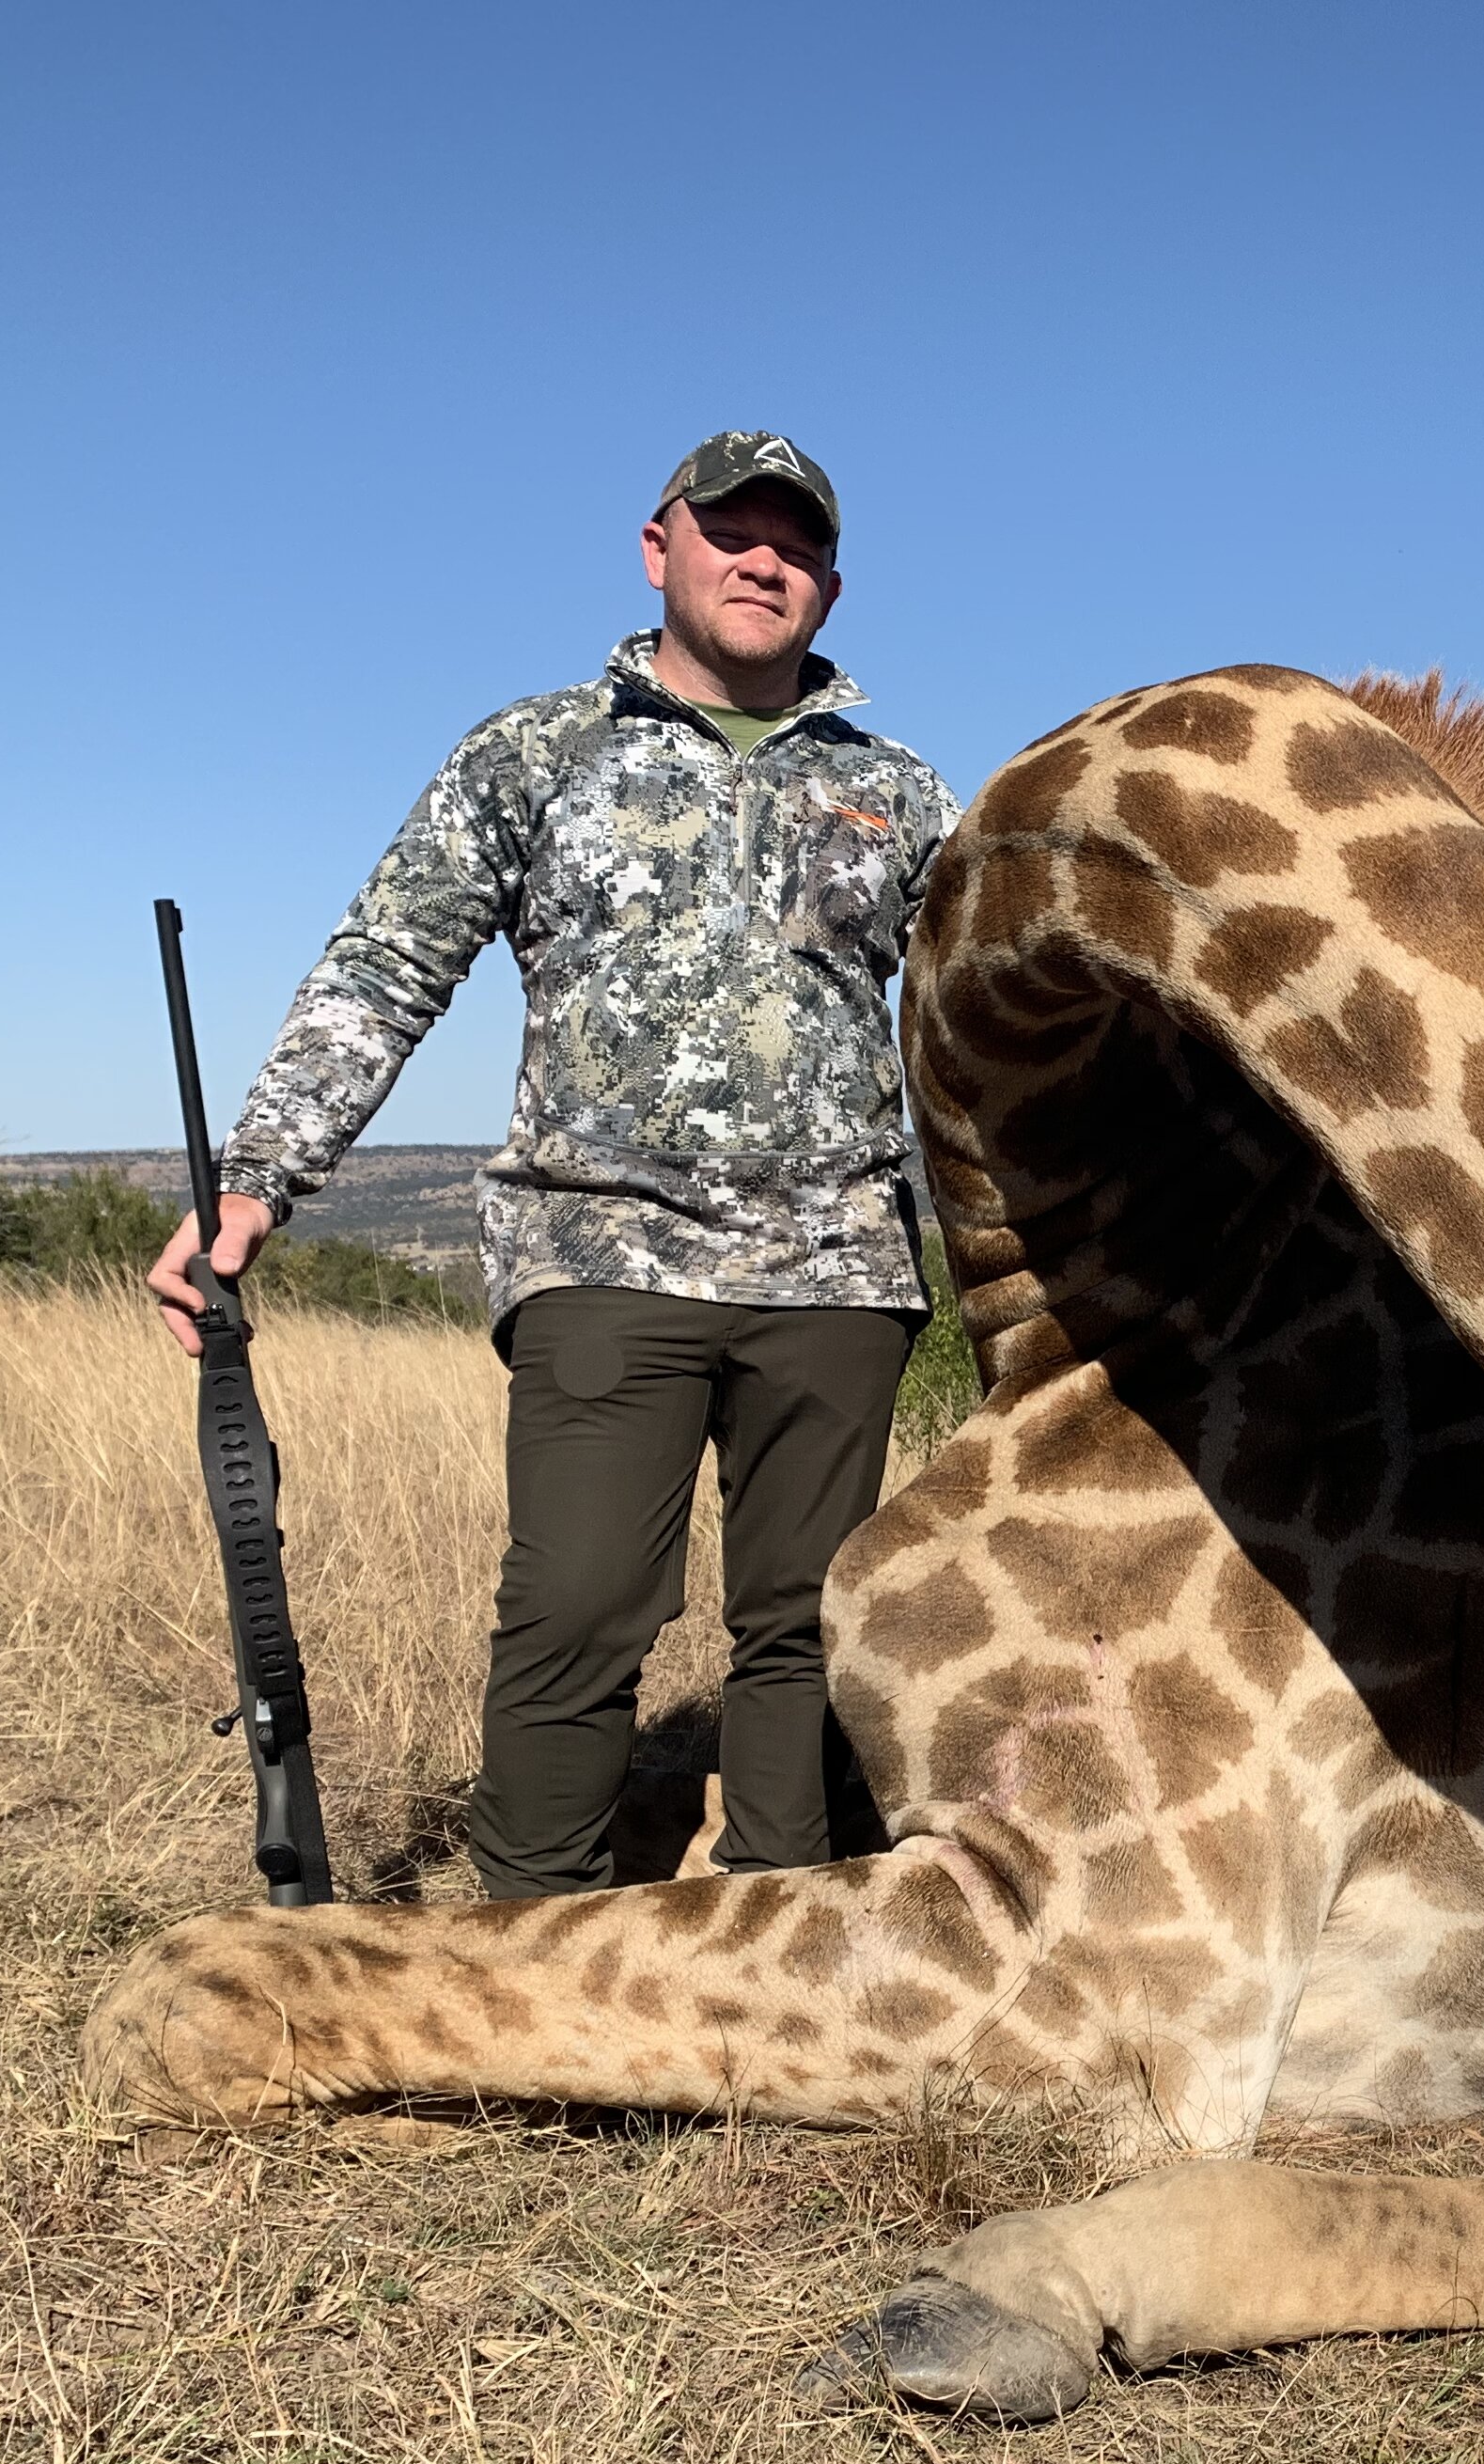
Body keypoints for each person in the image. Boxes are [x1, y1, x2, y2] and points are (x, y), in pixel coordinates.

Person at [148, 431, 956, 1899]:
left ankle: (779, 1951)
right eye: (731, 533)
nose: (761, 560)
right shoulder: (533, 751)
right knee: (581, 1608)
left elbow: (978, 1023)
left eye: (794, 544)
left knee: (812, 1622)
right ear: (662, 551)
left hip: (840, 1267)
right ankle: (529, 1946)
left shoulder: (903, 792)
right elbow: (390, 965)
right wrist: (256, 1179)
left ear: (831, 586)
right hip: (601, 1261)